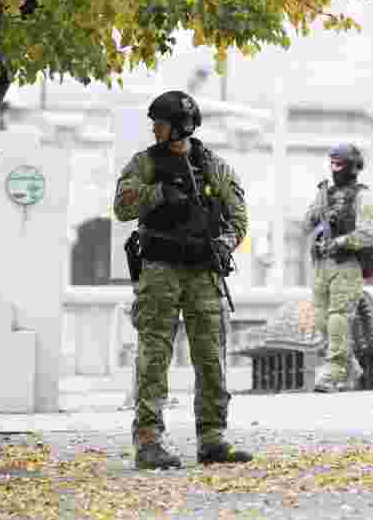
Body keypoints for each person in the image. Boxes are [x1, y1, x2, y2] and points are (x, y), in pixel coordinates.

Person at [113, 90, 252, 469]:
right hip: (159, 270)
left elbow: (238, 218)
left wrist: (223, 245)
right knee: (154, 357)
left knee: (210, 357)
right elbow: (122, 206)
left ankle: (212, 438)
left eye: (160, 123)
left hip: (203, 273)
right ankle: (148, 441)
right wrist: (158, 194)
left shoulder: (214, 167)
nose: (154, 129)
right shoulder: (145, 163)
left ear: (180, 126)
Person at [303, 143, 373, 393]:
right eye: (333, 161)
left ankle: (334, 372)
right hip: (323, 265)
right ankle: (351, 366)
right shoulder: (324, 194)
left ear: (353, 166)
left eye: (340, 162)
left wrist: (340, 242)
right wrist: (317, 214)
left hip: (347, 264)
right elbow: (306, 225)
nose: (335, 166)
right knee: (323, 320)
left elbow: (367, 234)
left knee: (338, 318)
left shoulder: (362, 196)